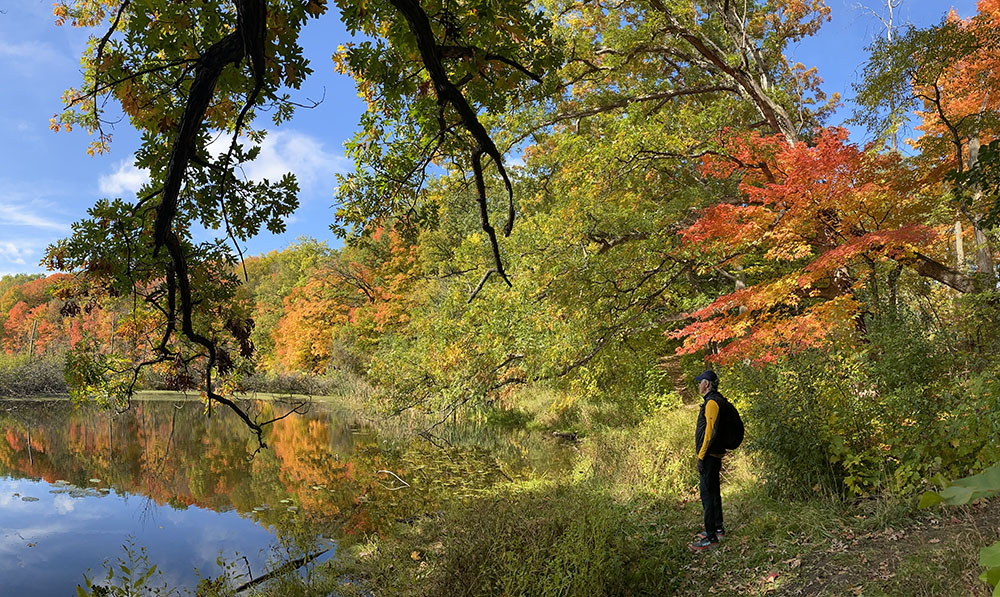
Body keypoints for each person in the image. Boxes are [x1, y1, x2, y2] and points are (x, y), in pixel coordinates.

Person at [689, 369, 726, 552]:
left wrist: (701, 456)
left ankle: (711, 537)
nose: (698, 385)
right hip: (713, 455)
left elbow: (709, 433)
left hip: (709, 456)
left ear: (707, 384)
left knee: (707, 495)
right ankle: (717, 528)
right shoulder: (715, 400)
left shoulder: (712, 403)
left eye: (700, 382)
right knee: (713, 492)